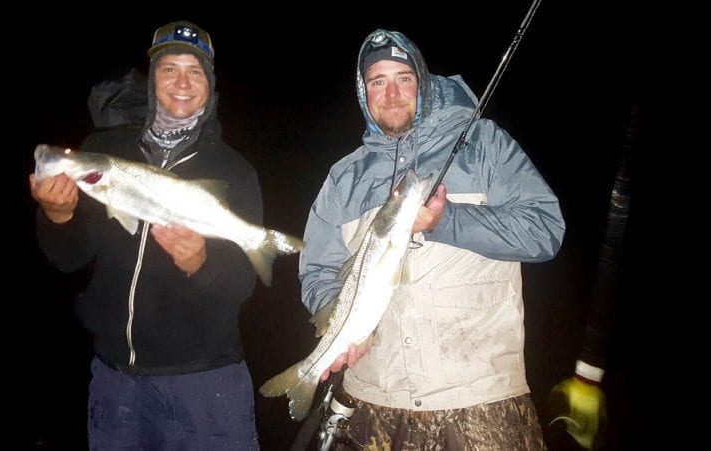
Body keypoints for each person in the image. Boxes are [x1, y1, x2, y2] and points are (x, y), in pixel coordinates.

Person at [299, 28, 566, 449]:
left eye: (403, 78)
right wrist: (344, 329)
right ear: (362, 91)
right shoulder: (343, 178)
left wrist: (447, 221)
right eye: (377, 81)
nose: (391, 93)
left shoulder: (484, 143)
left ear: (423, 82)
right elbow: (318, 271)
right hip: (372, 401)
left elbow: (545, 231)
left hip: (479, 399)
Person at [29, 20, 261, 450]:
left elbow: (243, 286)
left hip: (205, 380)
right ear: (152, 80)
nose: (182, 82)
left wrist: (200, 264)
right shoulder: (106, 149)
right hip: (115, 382)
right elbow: (69, 258)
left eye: (195, 71)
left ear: (210, 85)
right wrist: (57, 215)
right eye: (169, 69)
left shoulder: (233, 171)